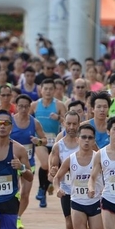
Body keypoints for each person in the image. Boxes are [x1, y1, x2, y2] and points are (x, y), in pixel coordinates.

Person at [53, 124, 104, 229]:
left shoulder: (100, 157)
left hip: (95, 202)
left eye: (90, 137)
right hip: (77, 203)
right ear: (77, 139)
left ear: (94, 140)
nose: (86, 141)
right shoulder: (71, 159)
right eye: (83, 137)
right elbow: (57, 178)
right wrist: (57, 189)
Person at [48, 111, 81, 229]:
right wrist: (53, 172)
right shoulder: (58, 146)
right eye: (69, 124)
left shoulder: (85, 143)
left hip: (85, 191)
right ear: (64, 124)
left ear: (79, 125)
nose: (72, 127)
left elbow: (98, 163)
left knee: (82, 226)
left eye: (75, 124)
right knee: (69, 223)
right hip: (67, 190)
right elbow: (52, 171)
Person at [9, 94, 47, 229]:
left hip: (28, 163)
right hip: (12, 163)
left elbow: (45, 139)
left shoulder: (34, 122)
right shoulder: (10, 122)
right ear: (16, 106)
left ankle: (18, 217)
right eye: (20, 106)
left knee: (25, 192)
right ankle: (11, 215)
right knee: (15, 190)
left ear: (30, 107)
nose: (23, 109)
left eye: (26, 106)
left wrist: (38, 141)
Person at [31, 79, 67, 207]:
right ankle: (42, 189)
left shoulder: (59, 105)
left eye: (50, 89)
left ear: (55, 90)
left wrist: (59, 118)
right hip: (40, 140)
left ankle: (43, 193)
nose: (47, 91)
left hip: (55, 141)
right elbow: (28, 121)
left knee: (53, 167)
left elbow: (68, 123)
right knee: (45, 164)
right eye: (45, 88)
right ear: (41, 90)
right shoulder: (34, 105)